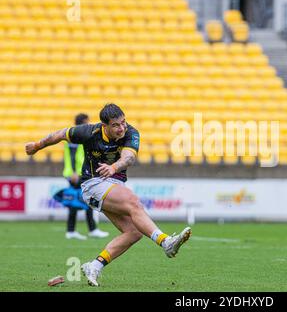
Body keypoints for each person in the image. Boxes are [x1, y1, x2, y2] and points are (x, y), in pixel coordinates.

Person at [25, 103, 191, 287]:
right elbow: (61, 134)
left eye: (123, 122)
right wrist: (37, 146)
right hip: (93, 183)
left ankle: (95, 265)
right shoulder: (89, 132)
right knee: (133, 202)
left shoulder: (130, 132)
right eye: (116, 125)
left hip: (114, 183)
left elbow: (129, 157)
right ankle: (166, 242)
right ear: (104, 126)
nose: (121, 128)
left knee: (134, 232)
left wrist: (113, 167)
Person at [63, 113, 109, 240]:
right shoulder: (75, 135)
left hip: (79, 173)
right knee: (80, 200)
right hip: (76, 174)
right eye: (87, 121)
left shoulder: (76, 134)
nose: (89, 123)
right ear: (82, 122)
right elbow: (72, 156)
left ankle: (76, 230)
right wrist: (73, 172)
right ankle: (84, 230)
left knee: (82, 200)